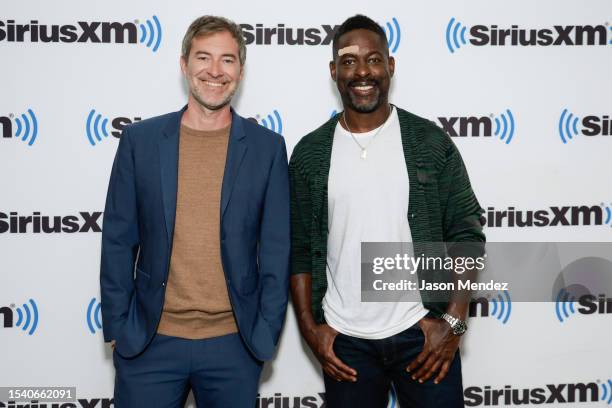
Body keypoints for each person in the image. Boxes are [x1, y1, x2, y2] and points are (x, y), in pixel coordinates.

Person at [289, 14, 485, 408]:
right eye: (348, 61)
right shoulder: (310, 154)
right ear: (333, 71)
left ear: (390, 65)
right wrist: (312, 331)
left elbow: (466, 234)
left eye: (374, 59)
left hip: (422, 335)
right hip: (346, 344)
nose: (362, 71)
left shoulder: (429, 142)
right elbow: (297, 249)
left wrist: (454, 322)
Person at [100, 15, 290, 408]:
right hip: (150, 343)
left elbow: (276, 249)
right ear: (184, 64)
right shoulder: (141, 141)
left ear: (240, 69)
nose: (215, 71)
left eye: (228, 60)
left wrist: (266, 331)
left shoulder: (267, 147)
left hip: (234, 346)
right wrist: (119, 325)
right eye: (203, 57)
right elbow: (118, 240)